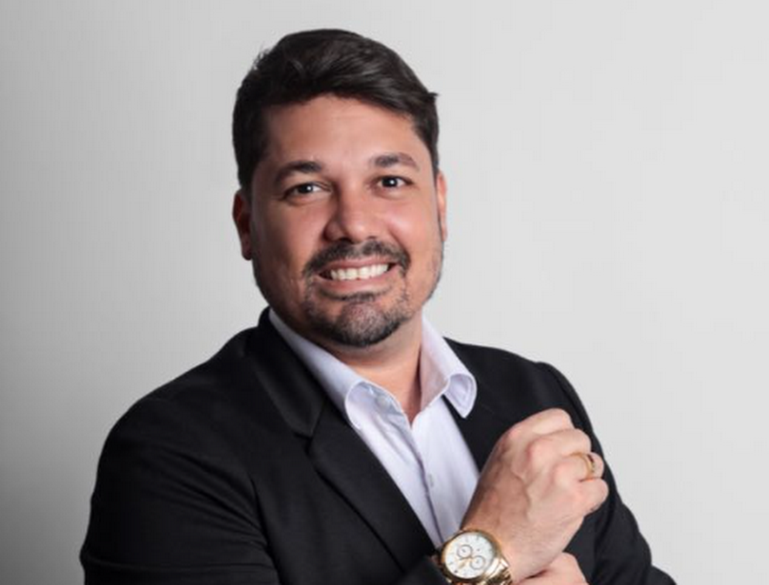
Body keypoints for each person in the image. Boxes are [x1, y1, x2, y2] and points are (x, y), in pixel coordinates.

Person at [81, 29, 674, 585]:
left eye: (389, 181)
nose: (355, 224)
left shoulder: (533, 396)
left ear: (439, 204)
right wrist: (491, 552)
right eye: (306, 189)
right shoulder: (170, 453)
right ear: (246, 224)